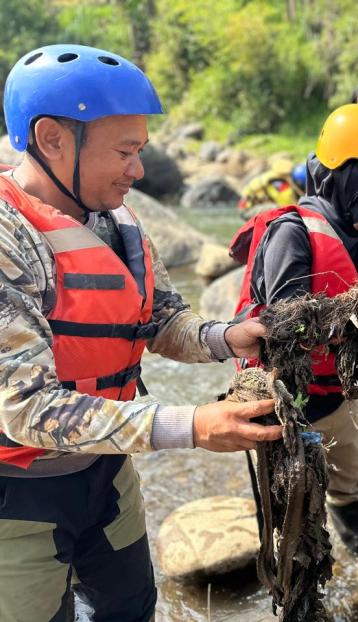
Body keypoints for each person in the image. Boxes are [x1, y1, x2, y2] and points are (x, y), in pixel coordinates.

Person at [0, 44, 283, 622]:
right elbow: (24, 408)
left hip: (106, 474)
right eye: (125, 152)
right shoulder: (9, 238)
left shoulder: (117, 219)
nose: (138, 170)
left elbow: (160, 319)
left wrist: (225, 338)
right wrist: (190, 427)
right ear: (52, 138)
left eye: (141, 152)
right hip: (16, 495)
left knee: (130, 608)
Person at [229, 103, 358, 555]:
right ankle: (292, 577)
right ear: (355, 183)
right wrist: (349, 315)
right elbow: (281, 323)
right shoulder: (291, 233)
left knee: (348, 481)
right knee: (291, 500)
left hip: (334, 393)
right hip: (283, 404)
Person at [238, 158, 307, 218]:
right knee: (282, 210)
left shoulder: (280, 177)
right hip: (248, 209)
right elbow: (288, 206)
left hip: (254, 206)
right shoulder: (280, 184)